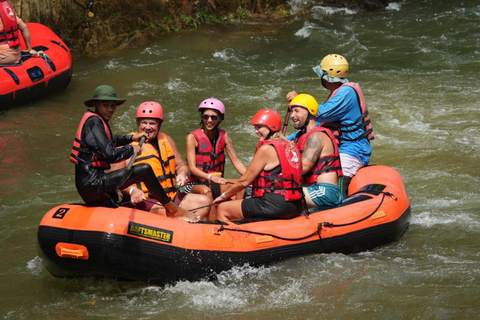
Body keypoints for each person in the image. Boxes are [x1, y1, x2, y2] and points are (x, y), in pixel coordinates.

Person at [70, 85, 193, 221]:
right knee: (144, 169)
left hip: (93, 183)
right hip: (92, 183)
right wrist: (131, 148)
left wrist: (130, 138)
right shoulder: (94, 122)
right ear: (95, 104)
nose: (110, 109)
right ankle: (172, 208)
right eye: (106, 105)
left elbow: (111, 140)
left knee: (114, 202)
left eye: (113, 105)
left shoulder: (97, 121)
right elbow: (110, 154)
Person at [110, 101, 211, 220]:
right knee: (169, 213)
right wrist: (132, 190)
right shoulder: (124, 146)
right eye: (144, 123)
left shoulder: (167, 140)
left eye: (152, 123)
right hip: (144, 199)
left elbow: (181, 166)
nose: (147, 127)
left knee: (204, 202)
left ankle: (192, 231)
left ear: (159, 125)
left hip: (170, 196)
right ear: (138, 123)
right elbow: (114, 181)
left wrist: (183, 174)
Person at [286, 54, 374, 178]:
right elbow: (317, 125)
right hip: (341, 148)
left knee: (330, 177)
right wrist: (288, 139)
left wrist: (299, 100)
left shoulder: (346, 92)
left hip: (353, 151)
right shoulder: (337, 94)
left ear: (326, 77)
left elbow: (319, 113)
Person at [213, 109, 303, 222]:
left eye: (259, 127)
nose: (256, 131)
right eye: (255, 128)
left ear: (272, 127)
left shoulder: (266, 149)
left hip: (274, 204)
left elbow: (244, 182)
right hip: (296, 204)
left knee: (222, 208)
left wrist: (223, 196)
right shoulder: (291, 146)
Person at [186, 98, 247, 220]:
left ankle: (238, 219)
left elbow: (236, 161)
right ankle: (213, 223)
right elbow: (192, 168)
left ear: (220, 118)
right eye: (205, 117)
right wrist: (211, 177)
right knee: (207, 191)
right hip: (195, 184)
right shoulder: (192, 137)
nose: (209, 120)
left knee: (242, 185)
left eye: (213, 117)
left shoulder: (224, 136)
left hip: (216, 182)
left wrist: (249, 177)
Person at [289, 94, 343, 209]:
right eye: (292, 112)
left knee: (278, 195)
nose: (292, 115)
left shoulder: (317, 136)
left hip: (325, 191)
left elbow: (302, 168)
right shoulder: (299, 137)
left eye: (296, 111)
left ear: (310, 112)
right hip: (309, 188)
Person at [0, 0, 38, 65]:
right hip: (17, 55)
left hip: (4, 58)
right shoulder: (9, 14)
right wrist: (29, 49)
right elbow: (24, 27)